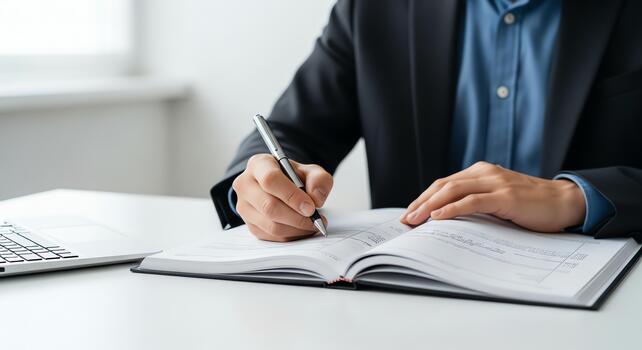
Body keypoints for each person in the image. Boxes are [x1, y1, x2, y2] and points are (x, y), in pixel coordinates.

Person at [211, 0, 642, 242]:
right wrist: (258, 187)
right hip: (409, 295)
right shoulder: (372, 10)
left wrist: (574, 199)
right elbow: (288, 131)